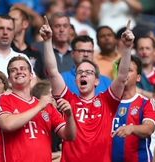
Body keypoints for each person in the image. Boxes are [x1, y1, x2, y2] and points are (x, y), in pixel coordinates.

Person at [40, 16, 134, 162]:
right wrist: (47, 41)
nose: (83, 74)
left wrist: (127, 48)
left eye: (88, 72)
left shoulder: (107, 101)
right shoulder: (68, 99)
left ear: (97, 80)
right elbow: (52, 71)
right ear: (76, 78)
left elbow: (122, 77)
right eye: (79, 72)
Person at [0, 56, 76, 162]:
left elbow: (69, 136)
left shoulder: (46, 105)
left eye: (23, 68)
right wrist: (39, 106)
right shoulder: (2, 99)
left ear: (31, 76)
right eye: (13, 70)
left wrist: (69, 116)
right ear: (9, 80)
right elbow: (7, 124)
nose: (19, 71)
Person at [111, 56, 155, 162]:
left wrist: (132, 128)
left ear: (138, 78)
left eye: (129, 70)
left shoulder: (147, 102)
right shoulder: (108, 101)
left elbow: (149, 129)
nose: (124, 74)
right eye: (122, 70)